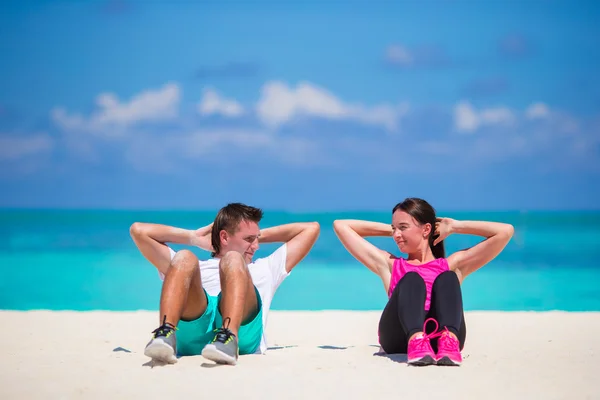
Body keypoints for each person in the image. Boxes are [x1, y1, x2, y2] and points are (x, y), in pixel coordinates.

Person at [130, 203, 320, 365]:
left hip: (244, 333)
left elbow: (310, 229)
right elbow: (139, 231)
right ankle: (165, 334)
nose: (256, 246)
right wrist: (193, 238)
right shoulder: (200, 267)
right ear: (224, 237)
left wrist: (253, 235)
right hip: (193, 331)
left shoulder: (266, 268)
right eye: (249, 239)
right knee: (183, 257)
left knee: (233, 259)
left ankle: (229, 338)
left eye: (257, 239)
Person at [333, 198, 513, 366]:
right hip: (399, 337)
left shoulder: (451, 265)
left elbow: (505, 232)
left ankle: (448, 340)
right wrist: (398, 230)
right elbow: (341, 226)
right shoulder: (390, 265)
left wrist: (453, 226)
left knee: (449, 277)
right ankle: (416, 339)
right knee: (412, 279)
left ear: (426, 229)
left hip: (439, 337)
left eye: (402, 227)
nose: (396, 235)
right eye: (394, 229)